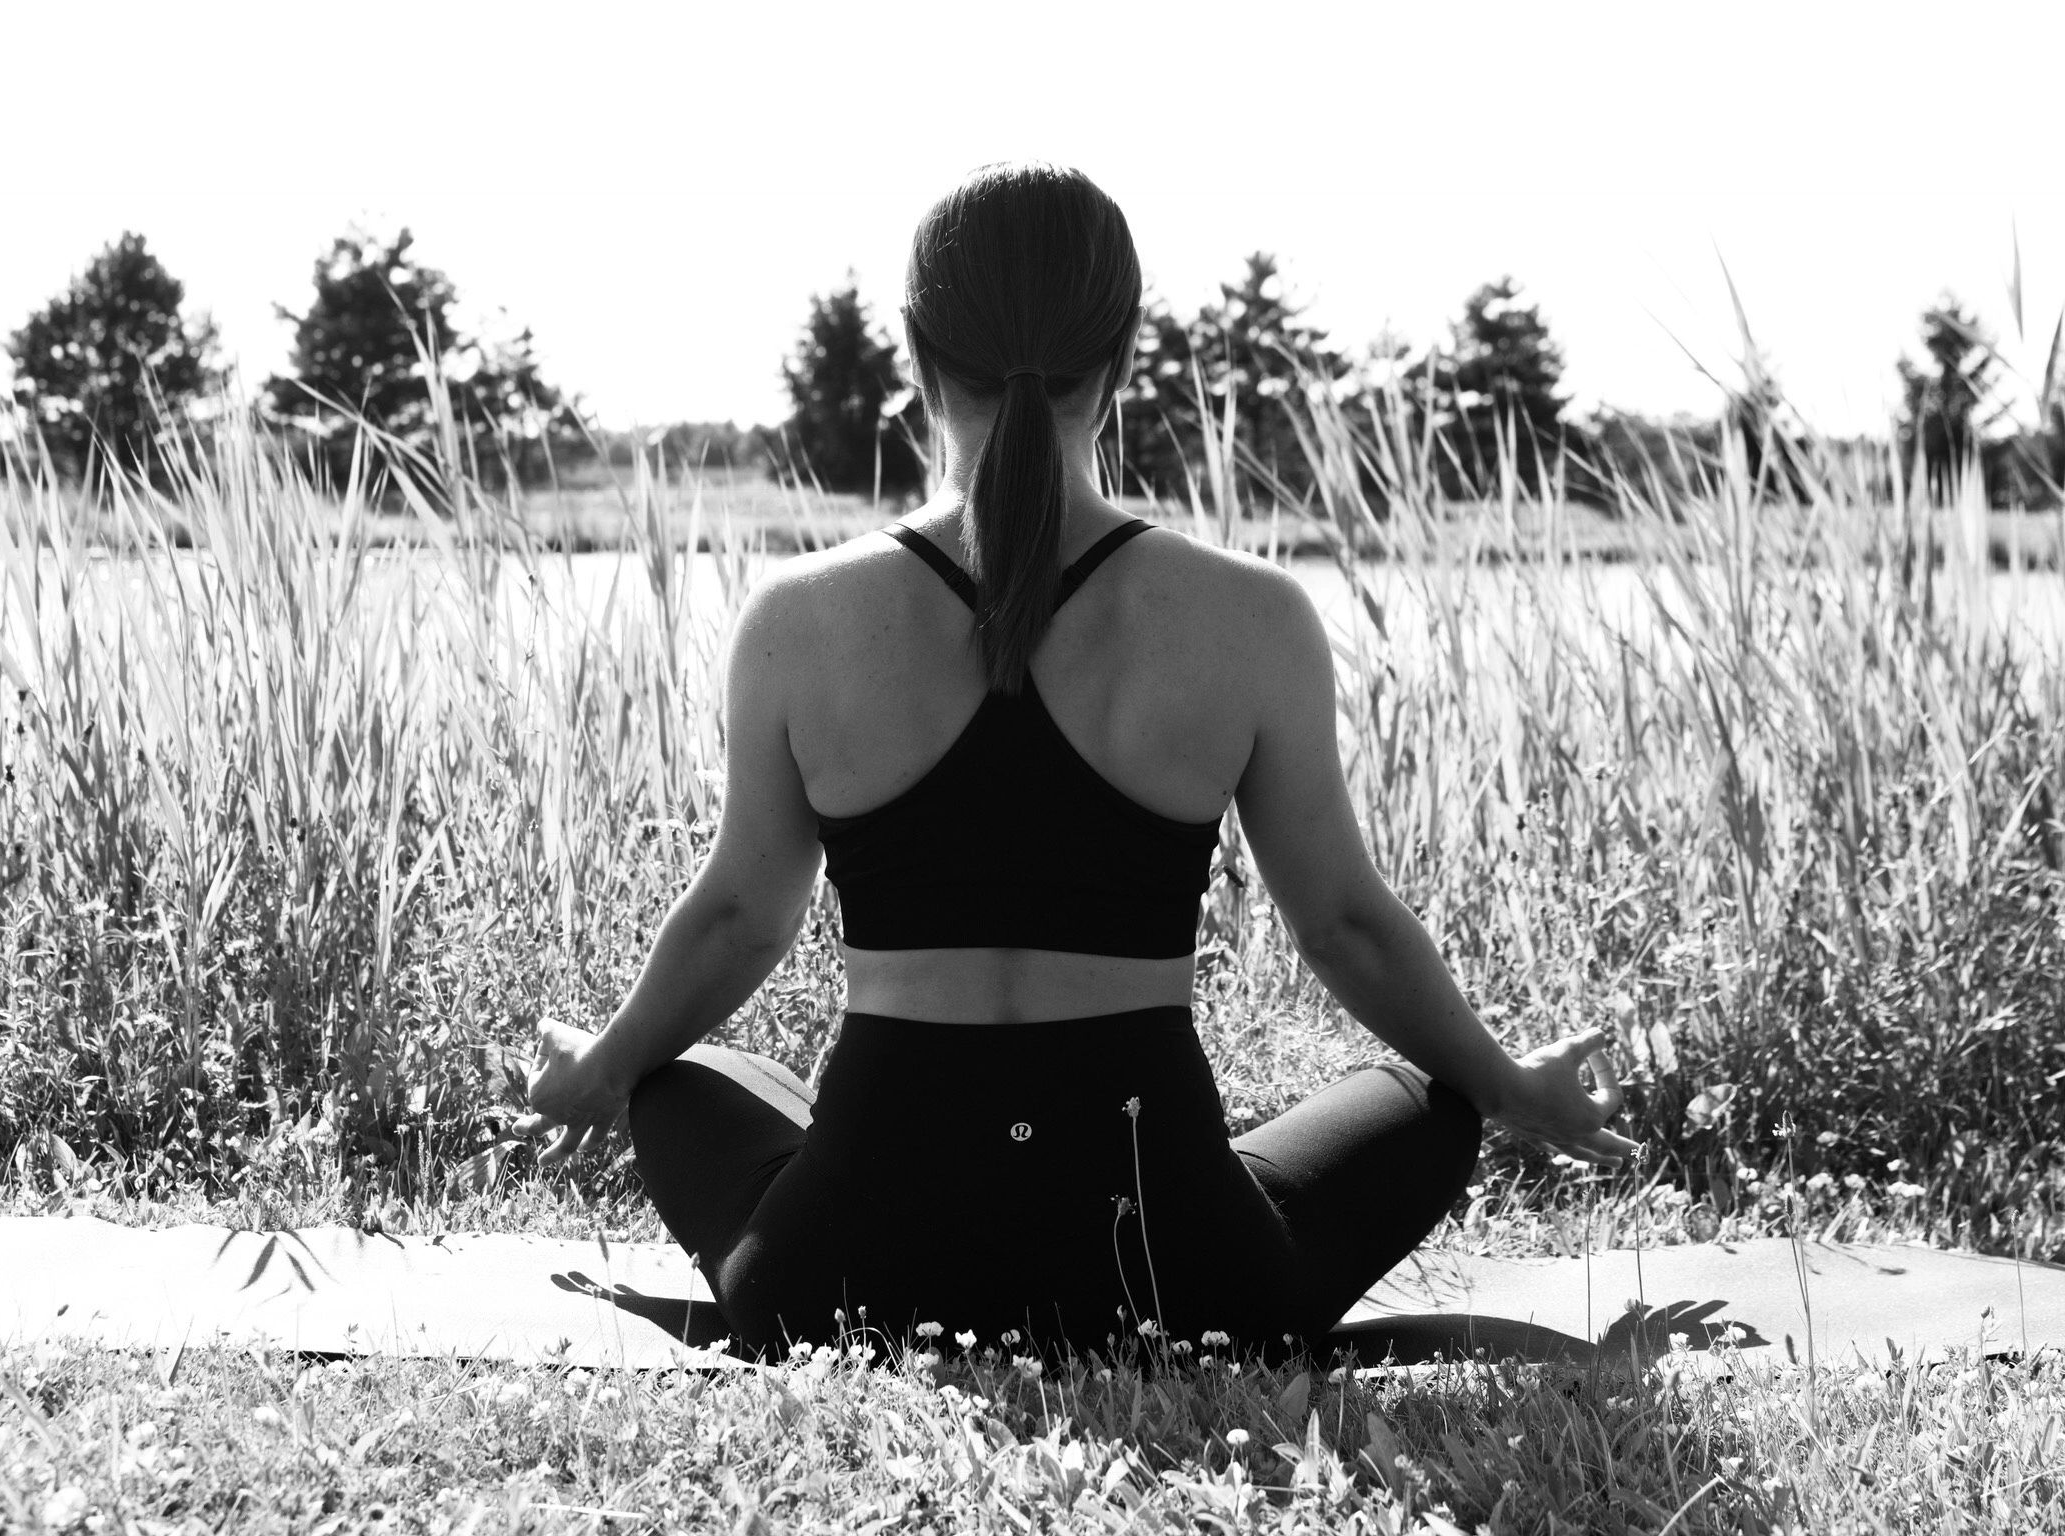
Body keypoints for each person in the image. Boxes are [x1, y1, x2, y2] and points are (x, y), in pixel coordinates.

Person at [517, 162, 1637, 1364]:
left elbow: (742, 916)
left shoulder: (796, 620)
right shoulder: (1253, 618)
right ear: (1125, 353)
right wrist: (1511, 1085)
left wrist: (607, 1064)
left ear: (913, 353)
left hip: (842, 1273)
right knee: (1431, 1098)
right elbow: (1346, 928)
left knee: (687, 1080)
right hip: (1174, 1271)